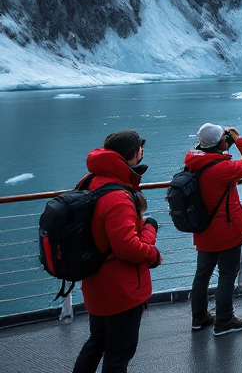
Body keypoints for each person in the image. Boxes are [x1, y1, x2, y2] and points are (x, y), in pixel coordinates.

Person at [72, 131, 161, 373]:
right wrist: (151, 240)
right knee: (118, 354)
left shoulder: (91, 181)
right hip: (121, 288)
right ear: (131, 154)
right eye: (140, 149)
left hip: (96, 281)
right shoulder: (117, 196)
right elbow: (126, 247)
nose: (142, 152)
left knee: (97, 342)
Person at [185, 122, 242, 336]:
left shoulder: (193, 164)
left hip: (203, 229)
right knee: (227, 274)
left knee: (202, 274)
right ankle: (224, 320)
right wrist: (238, 139)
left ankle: (199, 317)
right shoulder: (222, 169)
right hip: (226, 230)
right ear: (221, 143)